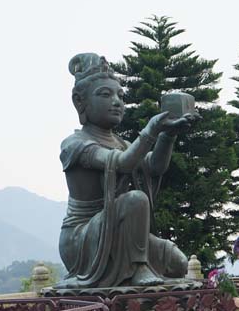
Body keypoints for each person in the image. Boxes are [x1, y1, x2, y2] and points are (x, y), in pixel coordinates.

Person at [55, 53, 198, 288]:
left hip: (119, 231)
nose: (117, 102)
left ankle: (140, 264)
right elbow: (123, 163)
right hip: (84, 237)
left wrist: (167, 136)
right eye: (105, 94)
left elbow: (154, 166)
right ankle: (139, 266)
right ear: (80, 102)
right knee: (135, 199)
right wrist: (151, 130)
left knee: (177, 262)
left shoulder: (121, 143)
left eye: (121, 96)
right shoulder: (75, 144)